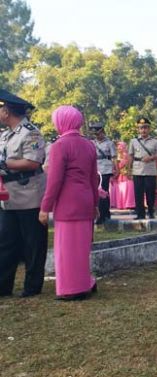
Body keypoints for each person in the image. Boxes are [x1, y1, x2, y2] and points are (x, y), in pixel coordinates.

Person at [39, 106, 99, 300]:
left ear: (61, 122)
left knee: (66, 249)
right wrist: (95, 204)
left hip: (67, 202)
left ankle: (71, 289)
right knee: (81, 248)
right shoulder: (89, 145)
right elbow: (93, 179)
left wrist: (45, 207)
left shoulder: (60, 145)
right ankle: (85, 283)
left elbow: (54, 181)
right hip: (86, 199)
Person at [0, 89, 48, 298]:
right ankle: (3, 286)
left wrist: (5, 163)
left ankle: (32, 287)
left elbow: (33, 162)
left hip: (29, 194)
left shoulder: (31, 133)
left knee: (33, 244)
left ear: (7, 111)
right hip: (8, 197)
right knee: (6, 242)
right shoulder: (5, 134)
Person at [128, 117, 157, 219]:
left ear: (149, 129)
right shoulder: (133, 141)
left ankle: (151, 212)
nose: (143, 130)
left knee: (150, 192)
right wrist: (129, 169)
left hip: (150, 170)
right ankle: (140, 214)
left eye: (145, 128)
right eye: (141, 128)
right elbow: (130, 155)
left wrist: (151, 157)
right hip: (137, 169)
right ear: (138, 129)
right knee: (138, 193)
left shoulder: (155, 142)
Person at [91, 122, 117, 224]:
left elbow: (114, 157)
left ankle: (105, 214)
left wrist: (116, 169)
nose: (97, 136)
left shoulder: (109, 143)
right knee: (96, 192)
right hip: (95, 169)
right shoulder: (92, 143)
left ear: (102, 132)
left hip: (106, 169)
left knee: (104, 192)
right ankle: (101, 214)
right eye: (95, 134)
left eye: (98, 133)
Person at [114, 141, 135, 209]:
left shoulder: (128, 156)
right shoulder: (117, 157)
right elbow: (116, 167)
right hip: (120, 176)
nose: (119, 148)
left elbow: (130, 165)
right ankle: (123, 204)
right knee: (122, 190)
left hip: (127, 175)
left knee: (128, 188)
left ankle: (129, 204)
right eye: (118, 147)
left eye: (121, 147)